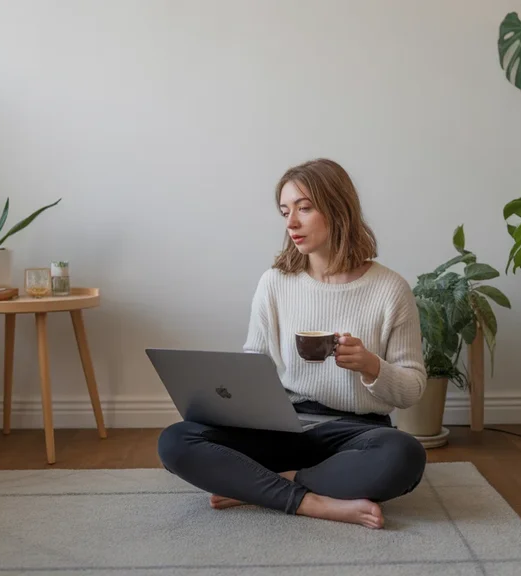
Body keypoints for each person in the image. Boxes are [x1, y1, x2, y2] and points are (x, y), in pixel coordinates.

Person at [157, 158, 428, 529]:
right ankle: (314, 502)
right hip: (283, 427)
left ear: (338, 209)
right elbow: (254, 364)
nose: (291, 223)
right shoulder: (275, 283)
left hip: (355, 432)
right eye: (285, 211)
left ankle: (262, 485)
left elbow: (412, 388)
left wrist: (370, 365)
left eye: (304, 208)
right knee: (176, 440)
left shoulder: (390, 289)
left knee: (404, 456)